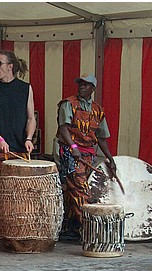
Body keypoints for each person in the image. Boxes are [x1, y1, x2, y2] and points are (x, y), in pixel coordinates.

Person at [0, 50, 36, 245]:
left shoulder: (25, 88)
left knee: (19, 193)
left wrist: (29, 138)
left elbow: (31, 117)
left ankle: (16, 228)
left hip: (20, 149)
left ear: (10, 67)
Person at [56, 74, 117, 241]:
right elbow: (63, 128)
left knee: (72, 190)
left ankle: (72, 228)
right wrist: (74, 147)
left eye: (86, 84)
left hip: (88, 155)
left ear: (93, 89)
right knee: (81, 190)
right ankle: (90, 229)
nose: (82, 87)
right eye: (80, 84)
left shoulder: (98, 110)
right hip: (71, 154)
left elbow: (102, 137)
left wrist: (110, 158)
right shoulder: (68, 104)